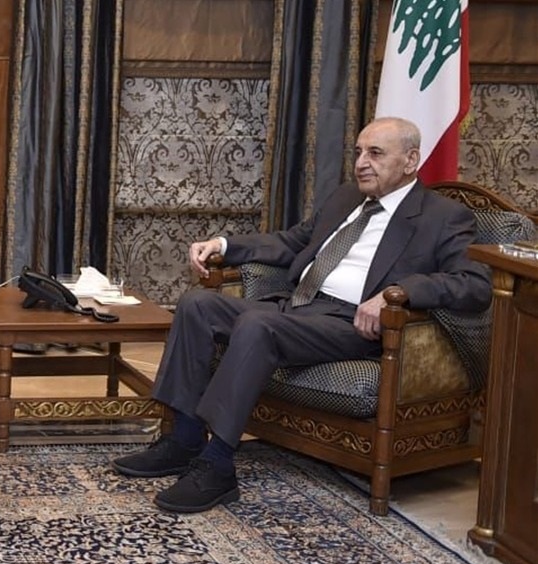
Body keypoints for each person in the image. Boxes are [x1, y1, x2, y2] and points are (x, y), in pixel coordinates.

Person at [112, 117, 491, 513]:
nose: (361, 163)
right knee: (196, 304)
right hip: (298, 305)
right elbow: (293, 242)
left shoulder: (443, 216)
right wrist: (223, 244)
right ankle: (184, 439)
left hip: (349, 323)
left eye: (375, 154)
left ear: (411, 160)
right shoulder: (347, 198)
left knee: (257, 324)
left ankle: (217, 466)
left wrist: (400, 293)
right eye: (359, 152)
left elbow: (474, 284)